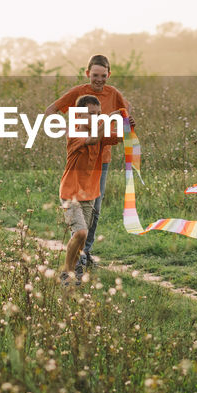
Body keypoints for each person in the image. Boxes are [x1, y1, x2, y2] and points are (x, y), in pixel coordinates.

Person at [44, 54, 132, 269]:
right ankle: (75, 260)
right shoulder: (79, 97)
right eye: (95, 75)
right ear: (88, 74)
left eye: (103, 75)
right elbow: (51, 112)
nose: (99, 79)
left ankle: (84, 252)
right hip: (81, 157)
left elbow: (124, 124)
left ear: (109, 75)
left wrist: (126, 123)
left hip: (101, 160)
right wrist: (66, 131)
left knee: (94, 209)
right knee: (81, 223)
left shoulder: (114, 94)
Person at [58, 94, 122, 285]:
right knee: (81, 233)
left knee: (81, 239)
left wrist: (126, 120)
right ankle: (66, 273)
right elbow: (93, 139)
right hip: (70, 193)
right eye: (90, 114)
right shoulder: (75, 133)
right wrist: (109, 118)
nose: (95, 118)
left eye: (98, 114)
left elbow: (119, 136)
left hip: (90, 194)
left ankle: (75, 269)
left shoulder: (100, 132)